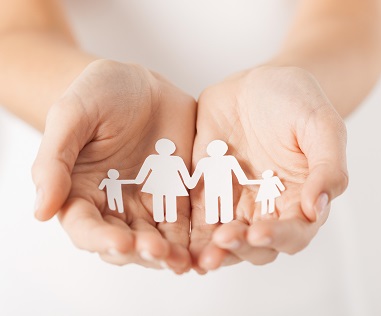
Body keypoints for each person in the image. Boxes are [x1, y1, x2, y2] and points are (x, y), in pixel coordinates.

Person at [0, 0, 380, 277]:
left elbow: (355, 17)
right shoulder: (173, 160)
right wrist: (79, 108)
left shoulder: (221, 161)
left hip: (281, 198)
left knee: (203, 206)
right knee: (172, 205)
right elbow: (12, 29)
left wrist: (301, 86)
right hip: (83, 188)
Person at [188, 140, 249, 224]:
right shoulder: (228, 160)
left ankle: (219, 218)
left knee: (217, 203)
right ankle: (221, 218)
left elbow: (193, 180)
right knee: (219, 202)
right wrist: (243, 180)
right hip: (218, 187)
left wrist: (190, 183)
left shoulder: (205, 161)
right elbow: (240, 175)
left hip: (218, 187)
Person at [134, 138, 191, 223]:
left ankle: (161, 216)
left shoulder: (153, 158)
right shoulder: (176, 159)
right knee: (168, 198)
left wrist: (138, 180)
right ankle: (168, 216)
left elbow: (143, 172)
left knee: (160, 198)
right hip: (169, 182)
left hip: (159, 182)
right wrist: (190, 183)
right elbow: (184, 174)